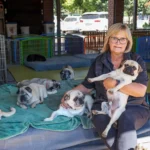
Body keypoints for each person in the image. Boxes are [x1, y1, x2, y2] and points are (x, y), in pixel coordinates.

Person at [61, 23, 150, 150]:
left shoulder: (136, 60)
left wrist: (114, 84)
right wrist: (68, 94)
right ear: (108, 40)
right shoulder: (99, 61)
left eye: (122, 39)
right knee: (101, 120)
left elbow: (140, 91)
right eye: (114, 38)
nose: (118, 42)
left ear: (128, 42)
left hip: (134, 106)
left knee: (125, 117)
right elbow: (87, 86)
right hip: (104, 105)